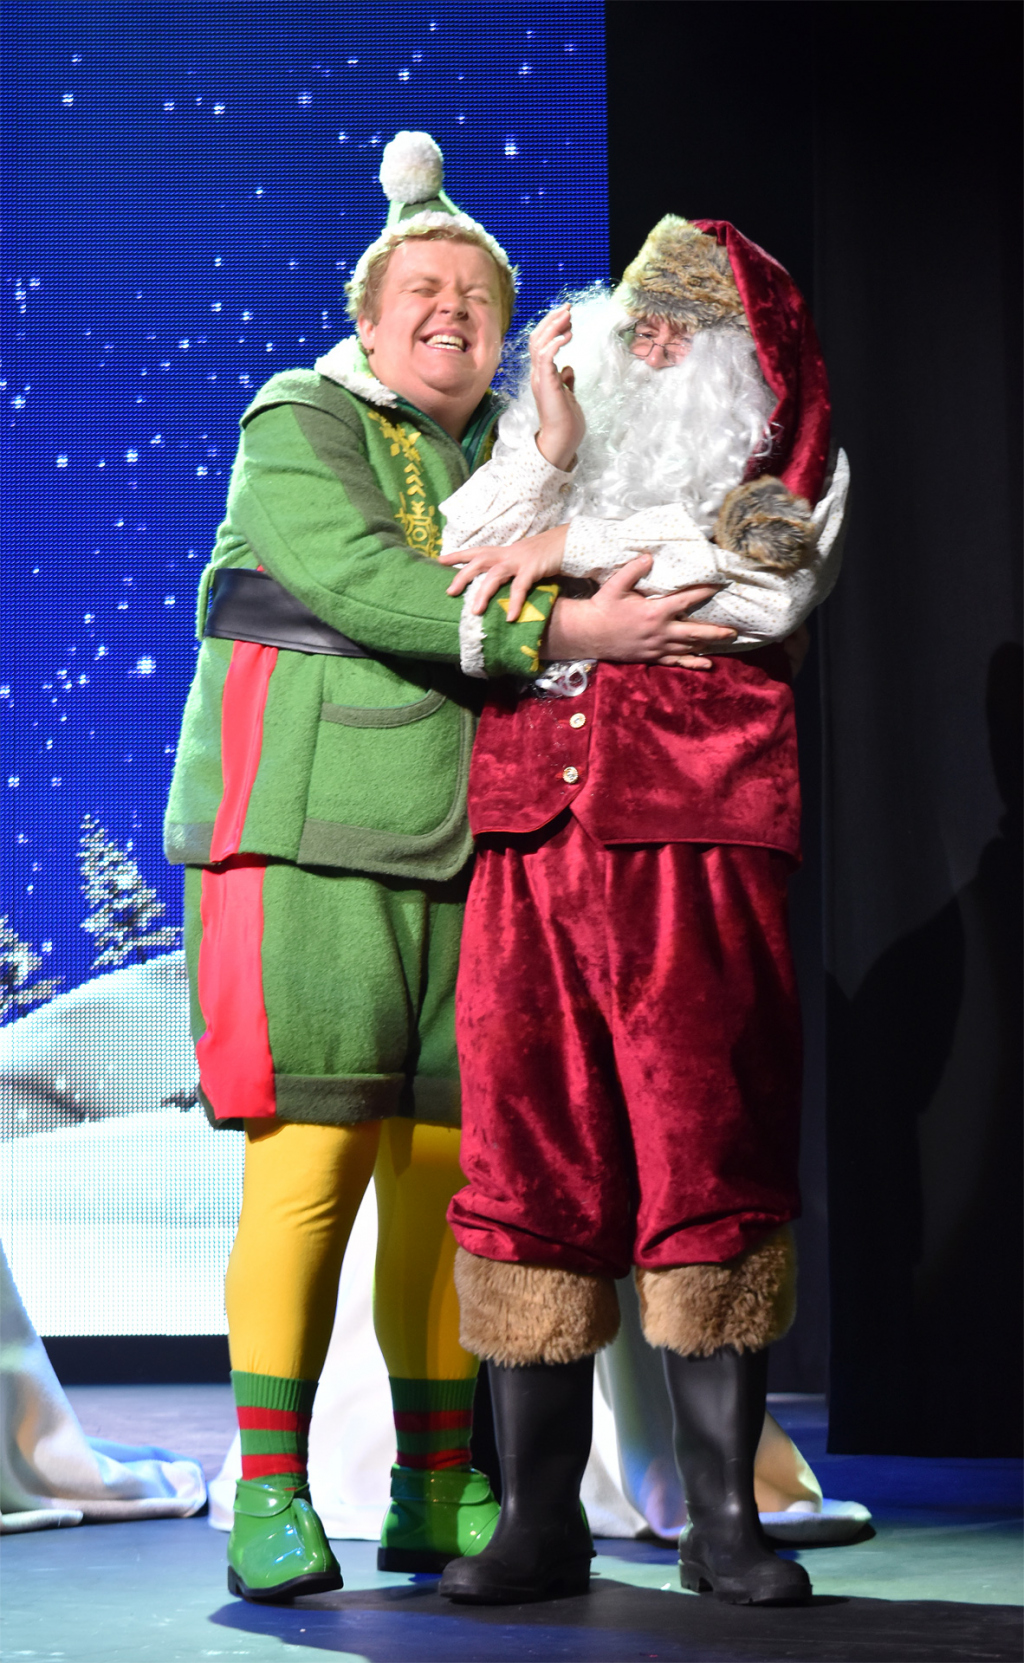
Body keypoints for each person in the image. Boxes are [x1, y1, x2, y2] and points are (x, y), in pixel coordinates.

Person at [163, 139, 727, 1603]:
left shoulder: (514, 458)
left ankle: (435, 1485)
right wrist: (564, 630)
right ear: (367, 317)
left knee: (446, 1176)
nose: (451, 311)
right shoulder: (300, 417)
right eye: (422, 288)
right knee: (311, 1161)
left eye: (478, 295)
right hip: (302, 837)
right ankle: (272, 1493)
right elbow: (362, 581)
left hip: (475, 852)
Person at [433, 214, 848, 1607]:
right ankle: (538, 1519)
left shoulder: (790, 465)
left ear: (742, 360)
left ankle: (722, 1521)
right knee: (526, 1156)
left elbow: (759, 589)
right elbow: (463, 560)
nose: (653, 344)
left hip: (694, 840)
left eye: (686, 327)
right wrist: (552, 454)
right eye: (640, 320)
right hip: (532, 843)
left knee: (705, 1142)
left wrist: (566, 548)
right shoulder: (557, 442)